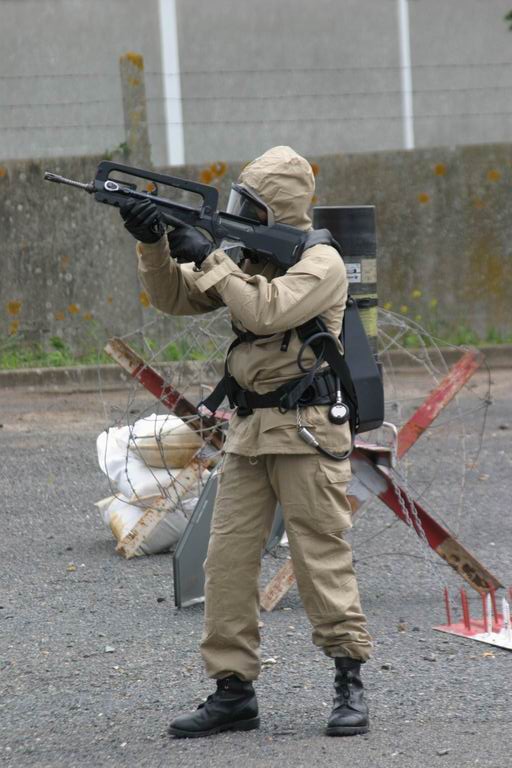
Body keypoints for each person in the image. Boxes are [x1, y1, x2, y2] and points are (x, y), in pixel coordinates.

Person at [120, 146, 372, 738]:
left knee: (320, 557)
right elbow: (173, 296)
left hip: (308, 430)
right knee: (226, 564)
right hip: (251, 432)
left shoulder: (320, 262)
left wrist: (211, 255)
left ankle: (348, 680)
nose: (239, 215)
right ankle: (233, 691)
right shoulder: (250, 259)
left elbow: (265, 312)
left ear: (279, 210)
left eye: (250, 207)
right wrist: (152, 243)